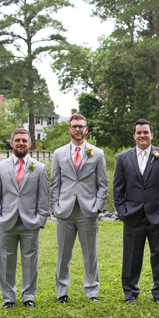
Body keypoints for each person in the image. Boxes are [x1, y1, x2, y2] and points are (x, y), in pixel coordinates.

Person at [113, 119, 159, 303]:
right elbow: (118, 188)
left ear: (152, 135)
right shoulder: (123, 158)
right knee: (131, 256)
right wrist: (122, 211)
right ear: (134, 135)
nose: (142, 135)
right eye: (139, 132)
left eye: (145, 132)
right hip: (132, 216)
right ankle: (130, 293)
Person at [50, 113, 107, 303]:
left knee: (90, 253)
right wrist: (56, 206)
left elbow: (103, 184)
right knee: (63, 254)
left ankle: (92, 291)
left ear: (86, 129)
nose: (77, 129)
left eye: (81, 126)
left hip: (87, 210)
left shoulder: (97, 153)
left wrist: (97, 207)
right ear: (69, 129)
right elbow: (54, 184)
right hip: (65, 210)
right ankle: (62, 292)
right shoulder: (58, 153)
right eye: (74, 126)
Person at [0, 128, 49, 308]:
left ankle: (28, 296)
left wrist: (40, 220)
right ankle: (8, 298)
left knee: (30, 261)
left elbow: (43, 197)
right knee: (6, 260)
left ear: (30, 144)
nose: (21, 143)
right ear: (11, 143)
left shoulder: (39, 168)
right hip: (6, 222)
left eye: (24, 140)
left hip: (30, 222)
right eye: (18, 140)